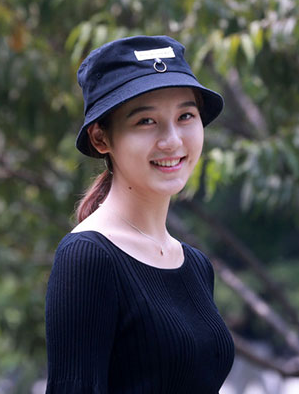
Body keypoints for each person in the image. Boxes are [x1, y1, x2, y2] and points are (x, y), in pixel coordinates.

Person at [45, 35, 235, 393]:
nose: (172, 140)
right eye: (146, 121)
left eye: (185, 116)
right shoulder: (87, 258)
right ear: (101, 138)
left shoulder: (195, 265)